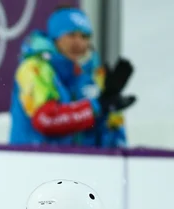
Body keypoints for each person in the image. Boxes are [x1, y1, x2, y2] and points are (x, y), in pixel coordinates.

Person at [9, 6, 136, 148]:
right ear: (55, 38)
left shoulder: (94, 75)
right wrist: (97, 106)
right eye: (71, 35)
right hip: (35, 165)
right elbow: (46, 120)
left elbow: (111, 132)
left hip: (82, 166)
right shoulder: (35, 68)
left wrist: (110, 108)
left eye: (84, 36)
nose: (78, 43)